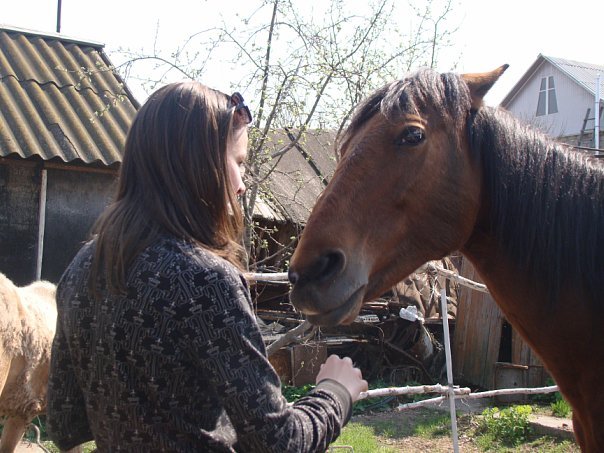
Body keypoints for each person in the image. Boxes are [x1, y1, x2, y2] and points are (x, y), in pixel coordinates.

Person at [47, 81, 368, 452]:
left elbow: (65, 421)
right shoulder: (204, 280)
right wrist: (335, 392)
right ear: (200, 166)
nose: (243, 185)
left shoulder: (81, 268)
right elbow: (280, 442)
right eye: (239, 163)